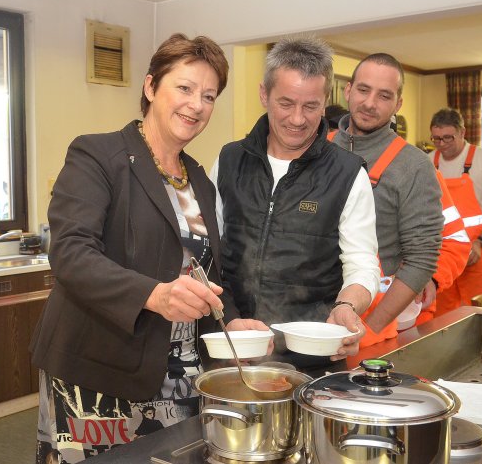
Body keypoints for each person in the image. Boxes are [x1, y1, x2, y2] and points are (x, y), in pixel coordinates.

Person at [29, 33, 266, 464]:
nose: (196, 105)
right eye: (185, 88)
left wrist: (229, 320)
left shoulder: (199, 180)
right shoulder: (98, 155)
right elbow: (71, 254)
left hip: (180, 376)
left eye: (209, 96)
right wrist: (154, 295)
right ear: (151, 86)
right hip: (100, 372)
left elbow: (205, 273)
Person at [211, 36, 380, 376]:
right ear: (264, 94)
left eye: (311, 106)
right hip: (234, 349)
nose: (298, 119)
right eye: (286, 103)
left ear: (325, 102)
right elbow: (209, 253)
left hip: (312, 360)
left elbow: (362, 263)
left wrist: (348, 305)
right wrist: (225, 316)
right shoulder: (229, 160)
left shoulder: (348, 173)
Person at [329, 53, 444, 354]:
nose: (370, 103)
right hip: (314, 318)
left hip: (370, 327)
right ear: (348, 90)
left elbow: (422, 259)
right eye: (363, 90)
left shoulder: (413, 166)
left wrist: (371, 327)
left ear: (398, 104)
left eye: (384, 96)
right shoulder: (317, 149)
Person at [429, 107, 482, 313]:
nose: (442, 144)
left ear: (462, 132)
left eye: (448, 137)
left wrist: (479, 242)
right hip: (443, 254)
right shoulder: (428, 162)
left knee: (480, 311)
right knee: (442, 314)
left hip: (478, 250)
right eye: (436, 139)